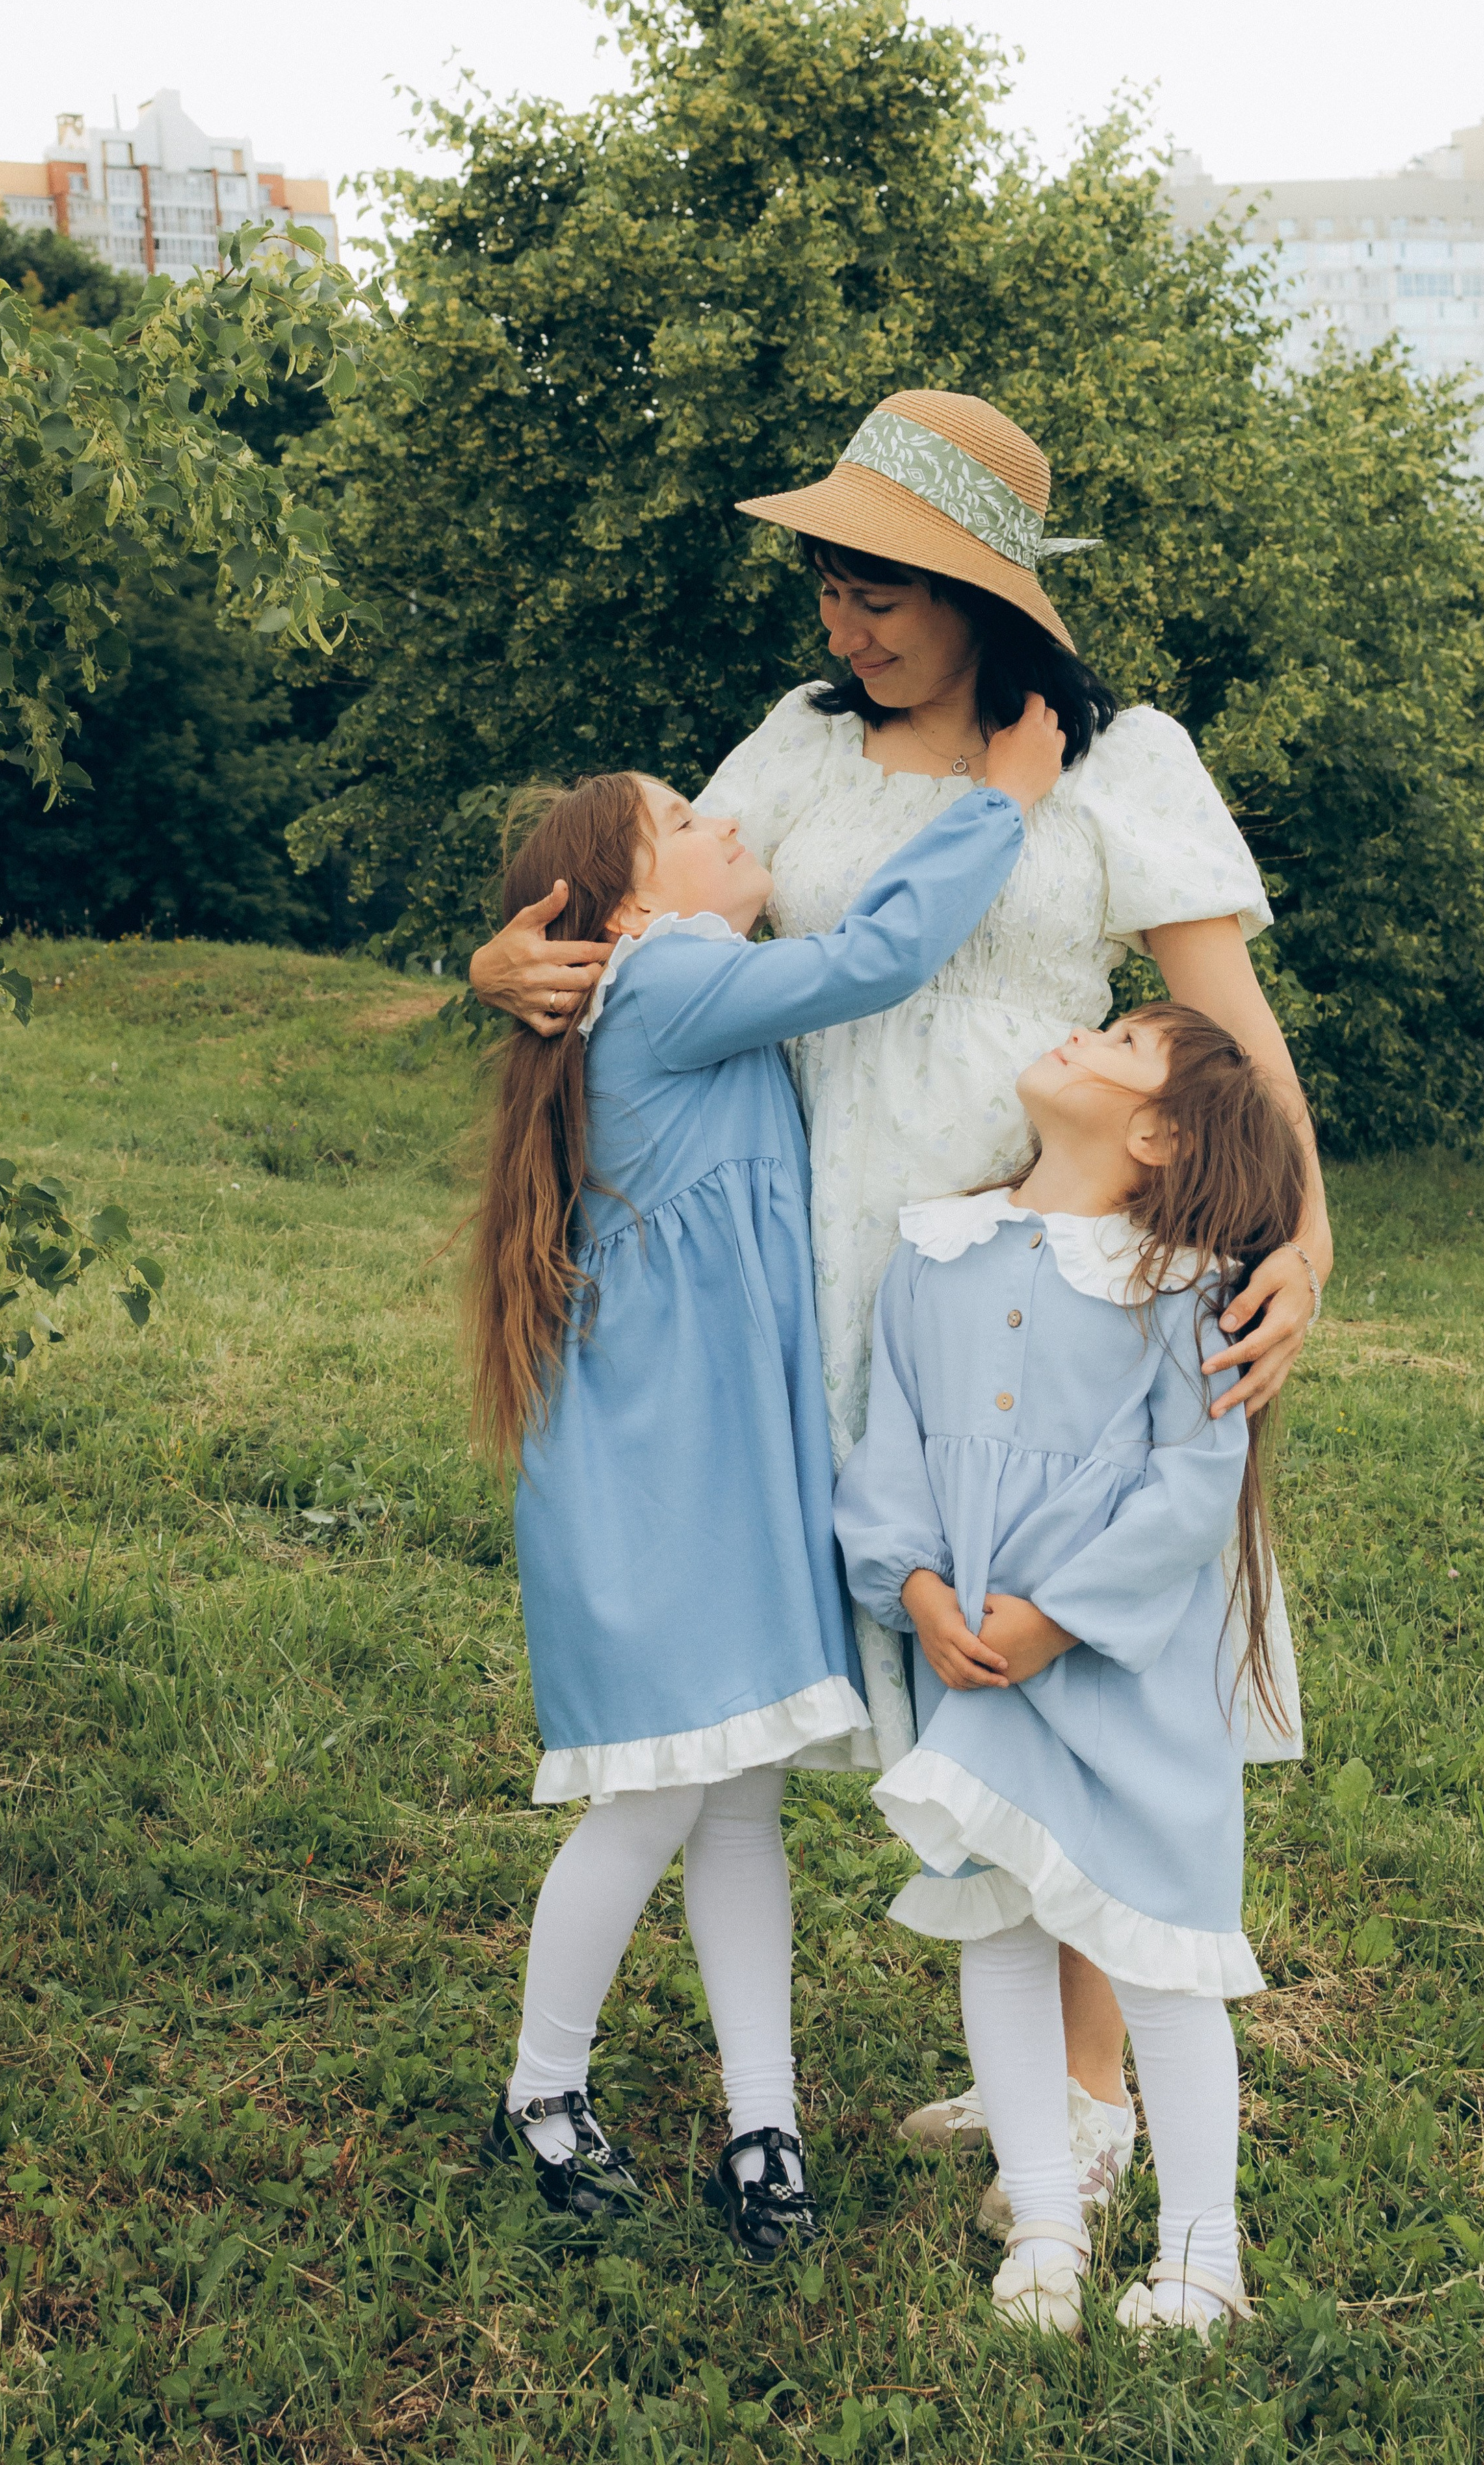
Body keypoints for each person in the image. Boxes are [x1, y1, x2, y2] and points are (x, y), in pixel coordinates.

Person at [470, 387, 1331, 2208]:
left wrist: (1304, 1233)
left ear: (979, 593)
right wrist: (503, 958)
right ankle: (1030, 2057)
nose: (844, 629)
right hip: (820, 1270)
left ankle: (1095, 2095)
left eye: (881, 592)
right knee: (925, 1638)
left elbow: (1222, 1034)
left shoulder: (1116, 761)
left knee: (1057, 1628)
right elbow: (646, 907)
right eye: (829, 591)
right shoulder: (794, 747)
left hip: (1053, 1260)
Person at [471, 710, 1064, 2256]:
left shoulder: (661, 989)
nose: (733, 823)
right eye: (688, 815)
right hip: (664, 1492)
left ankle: (764, 2123)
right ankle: (543, 2091)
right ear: (635, 905)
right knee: (656, 1802)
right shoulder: (666, 983)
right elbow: (870, 959)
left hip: (714, 1480)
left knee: (735, 1809)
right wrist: (994, 810)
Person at [835, 1001, 1306, 2339]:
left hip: (1119, 1671)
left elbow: (1187, 1488)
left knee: (1160, 1952)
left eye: (1116, 1041)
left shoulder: (1185, 1283)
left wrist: (1055, 1615)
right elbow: (891, 1447)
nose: (1078, 1036)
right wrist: (914, 1585)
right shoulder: (932, 1254)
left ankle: (1200, 2256)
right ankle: (1041, 2219)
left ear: (1156, 1132)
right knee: (991, 1921)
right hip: (970, 1659)